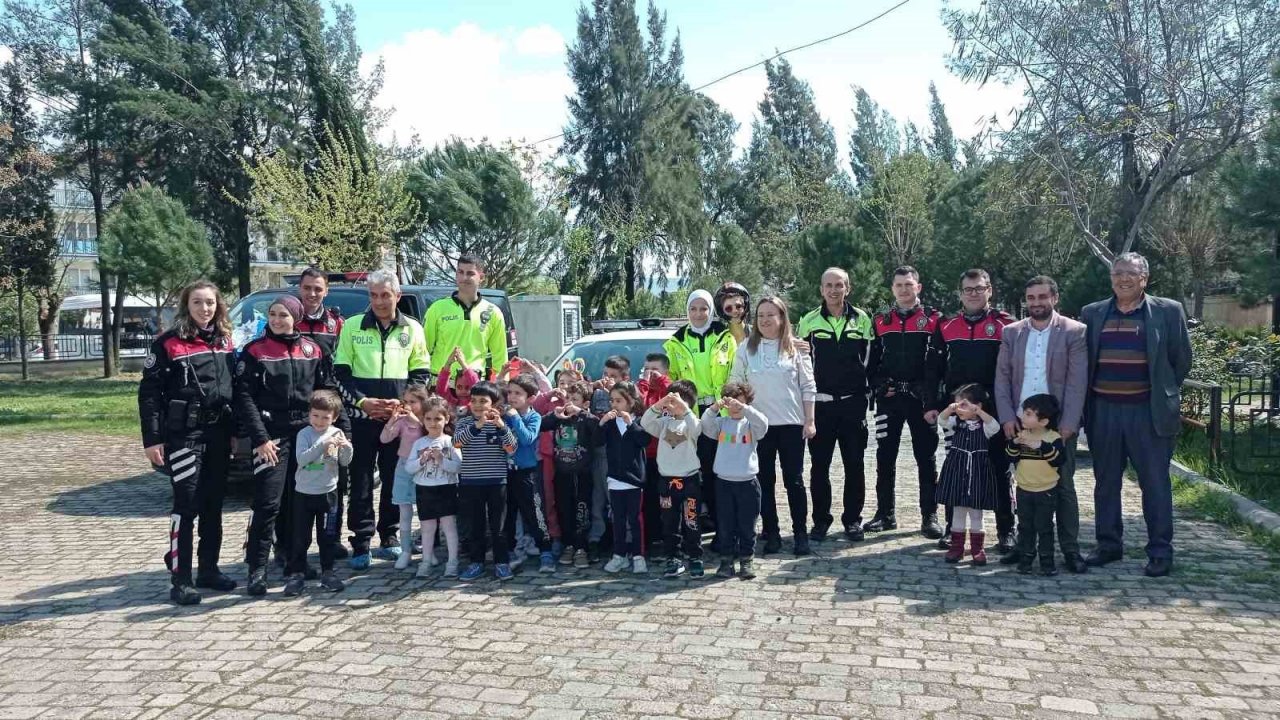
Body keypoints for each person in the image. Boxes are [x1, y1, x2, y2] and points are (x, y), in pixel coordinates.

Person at [1081, 253, 1192, 578]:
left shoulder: (1168, 311)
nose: (1123, 279)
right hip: (1104, 411)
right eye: (1118, 273)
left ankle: (1160, 551)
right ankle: (1108, 545)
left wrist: (1159, 392)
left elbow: (1180, 360)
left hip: (1149, 412)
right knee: (1105, 483)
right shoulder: (1093, 313)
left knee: (1155, 483)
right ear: (1111, 277)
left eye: (1131, 273)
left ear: (1145, 278)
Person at [233, 295, 348, 596]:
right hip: (271, 437)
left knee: (297, 504)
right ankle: (257, 568)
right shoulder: (254, 352)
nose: (277, 320)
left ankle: (292, 559)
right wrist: (260, 439)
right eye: (272, 314)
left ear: (296, 317)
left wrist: (342, 430)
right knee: (269, 502)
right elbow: (244, 398)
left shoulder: (313, 350)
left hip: (307, 434)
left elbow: (329, 393)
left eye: (284, 314)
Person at [140, 280, 239, 605]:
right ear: (187, 306)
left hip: (220, 434)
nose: (204, 308)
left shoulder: (225, 341)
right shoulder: (168, 344)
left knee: (214, 505)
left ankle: (208, 569)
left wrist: (238, 431)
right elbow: (150, 395)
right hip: (185, 436)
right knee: (187, 506)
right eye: (198, 302)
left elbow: (235, 389)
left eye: (210, 302)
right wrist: (153, 439)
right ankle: (180, 579)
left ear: (218, 306)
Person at [333, 270, 431, 568]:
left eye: (385, 295)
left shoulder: (412, 328)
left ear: (397, 296)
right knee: (361, 481)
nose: (379, 301)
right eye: (373, 295)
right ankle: (361, 542)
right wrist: (364, 402)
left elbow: (422, 374)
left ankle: (389, 537)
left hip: (399, 419)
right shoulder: (351, 326)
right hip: (361, 418)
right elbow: (340, 374)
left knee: (394, 477)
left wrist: (402, 404)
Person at [994, 275, 1090, 573]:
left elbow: (1077, 383)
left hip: (1056, 425)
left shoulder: (1074, 332)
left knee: (1062, 485)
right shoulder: (1012, 332)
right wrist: (1008, 417)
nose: (1036, 303)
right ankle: (1024, 548)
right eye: (1031, 298)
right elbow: (1003, 378)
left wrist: (1069, 425)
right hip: (1022, 423)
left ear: (1054, 298)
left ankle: (1070, 550)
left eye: (1042, 297)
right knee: (1021, 485)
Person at [929, 269, 1015, 554]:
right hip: (959, 411)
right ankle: (952, 532)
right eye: (968, 289)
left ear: (990, 290)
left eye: (980, 288)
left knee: (1000, 469)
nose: (974, 293)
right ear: (960, 293)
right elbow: (935, 370)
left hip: (994, 410)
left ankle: (1006, 530)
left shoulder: (1006, 324)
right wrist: (933, 404)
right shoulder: (946, 325)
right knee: (956, 468)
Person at [729, 295, 816, 556]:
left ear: (782, 318)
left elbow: (808, 386)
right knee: (764, 481)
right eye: (761, 315)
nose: (766, 320)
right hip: (759, 425)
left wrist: (810, 420)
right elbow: (735, 382)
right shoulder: (746, 348)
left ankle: (801, 534)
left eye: (771, 314)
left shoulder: (796, 348)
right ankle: (772, 533)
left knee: (795, 481)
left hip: (791, 424)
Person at [797, 268, 876, 544]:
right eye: (828, 285)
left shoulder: (862, 320)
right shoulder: (808, 321)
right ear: (821, 289)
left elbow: (870, 361)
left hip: (853, 405)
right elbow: (801, 366)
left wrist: (869, 394)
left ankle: (853, 520)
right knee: (819, 467)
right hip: (821, 406)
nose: (833, 290)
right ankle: (821, 521)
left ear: (848, 288)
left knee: (855, 464)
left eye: (839, 285)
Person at [868, 266, 945, 539]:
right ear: (892, 289)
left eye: (908, 284)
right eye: (898, 284)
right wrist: (878, 384)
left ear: (918, 287)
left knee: (926, 458)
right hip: (889, 400)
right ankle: (885, 514)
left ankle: (930, 515)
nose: (903, 289)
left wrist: (931, 393)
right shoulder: (880, 321)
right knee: (884, 457)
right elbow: (871, 362)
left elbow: (941, 362)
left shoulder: (934, 319)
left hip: (921, 401)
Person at [664, 289, 738, 551]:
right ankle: (691, 532)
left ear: (711, 310)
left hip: (722, 414)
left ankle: (725, 531)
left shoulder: (726, 337)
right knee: (696, 476)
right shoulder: (674, 343)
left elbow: (736, 373)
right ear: (687, 311)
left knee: (722, 474)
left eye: (703, 309)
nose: (698, 314)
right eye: (693, 309)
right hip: (690, 418)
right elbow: (670, 381)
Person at [294, 267, 350, 558]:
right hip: (300, 409)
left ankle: (333, 539)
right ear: (299, 288)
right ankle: (290, 544)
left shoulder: (336, 323)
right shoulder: (289, 319)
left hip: (330, 409)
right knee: (299, 479)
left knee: (336, 476)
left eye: (318, 288)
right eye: (307, 288)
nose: (312, 294)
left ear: (326, 290)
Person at [286, 390, 352, 595]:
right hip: (304, 493)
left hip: (328, 493)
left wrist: (347, 447)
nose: (320, 421)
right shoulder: (304, 434)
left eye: (325, 417)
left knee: (327, 536)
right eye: (315, 415)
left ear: (334, 418)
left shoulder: (337, 433)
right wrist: (322, 445)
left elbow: (344, 461)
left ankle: (328, 572)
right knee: (301, 536)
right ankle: (297, 573)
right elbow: (303, 460)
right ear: (309, 414)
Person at [701, 382, 769, 580]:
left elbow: (763, 423)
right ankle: (726, 560)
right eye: (732, 403)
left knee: (747, 523)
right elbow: (705, 425)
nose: (736, 407)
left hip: (748, 483)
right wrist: (715, 407)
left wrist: (746, 408)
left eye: (740, 403)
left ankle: (747, 559)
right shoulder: (721, 424)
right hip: (724, 483)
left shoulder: (751, 425)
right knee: (725, 524)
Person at [640, 380, 704, 578]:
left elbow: (697, 430)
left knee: (691, 520)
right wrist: (660, 404)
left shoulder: (691, 422)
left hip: (690, 480)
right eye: (671, 400)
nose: (673, 404)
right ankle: (673, 558)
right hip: (667, 480)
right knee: (669, 522)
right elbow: (645, 422)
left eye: (677, 400)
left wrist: (684, 409)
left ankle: (695, 556)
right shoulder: (663, 422)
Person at [456, 382, 519, 581]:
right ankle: (477, 562)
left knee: (498, 525)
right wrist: (477, 425)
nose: (477, 405)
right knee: (476, 525)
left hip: (496, 482)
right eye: (474, 401)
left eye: (483, 401)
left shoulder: (501, 424)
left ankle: (501, 562)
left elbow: (511, 448)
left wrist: (500, 426)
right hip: (471, 483)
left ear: (494, 403)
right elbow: (457, 442)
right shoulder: (464, 423)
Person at [934, 384, 1001, 565]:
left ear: (977, 405)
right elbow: (941, 420)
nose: (959, 409)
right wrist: (950, 409)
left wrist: (978, 411)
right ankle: (956, 547)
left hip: (977, 472)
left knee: (976, 512)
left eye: (963, 405)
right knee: (958, 510)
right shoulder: (957, 423)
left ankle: (977, 548)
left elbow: (995, 426)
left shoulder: (984, 426)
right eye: (957, 405)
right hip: (958, 470)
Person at [1005, 394, 1067, 576]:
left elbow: (1058, 460)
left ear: (1044, 421)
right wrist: (1014, 443)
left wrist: (1041, 446)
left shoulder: (1053, 438)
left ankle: (1047, 560)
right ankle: (1025, 558)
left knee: (1044, 526)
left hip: (1046, 490)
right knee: (1025, 526)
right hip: (1024, 488)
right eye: (1024, 413)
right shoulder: (1021, 435)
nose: (1023, 417)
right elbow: (1010, 456)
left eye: (1029, 414)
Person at [424, 253, 508, 381]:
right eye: (460, 272)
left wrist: (500, 386)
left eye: (470, 273)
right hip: (442, 385)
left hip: (474, 387)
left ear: (481, 277)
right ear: (456, 275)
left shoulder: (493, 312)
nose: (464, 277)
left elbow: (500, 357)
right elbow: (423, 350)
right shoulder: (437, 308)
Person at [403, 397, 462, 578]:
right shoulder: (419, 443)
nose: (433, 423)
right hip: (424, 489)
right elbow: (409, 468)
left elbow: (458, 467)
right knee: (427, 528)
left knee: (449, 526)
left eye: (437, 419)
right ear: (423, 420)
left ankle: (453, 561)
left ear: (446, 419)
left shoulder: (451, 442)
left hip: (446, 488)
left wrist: (441, 459)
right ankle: (426, 560)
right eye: (428, 419)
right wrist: (422, 460)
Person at [542, 381, 598, 568]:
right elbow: (541, 425)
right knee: (564, 509)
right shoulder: (559, 417)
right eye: (567, 398)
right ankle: (569, 545)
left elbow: (599, 433)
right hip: (562, 472)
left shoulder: (587, 418)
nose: (568, 403)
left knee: (582, 509)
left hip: (582, 473)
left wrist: (581, 413)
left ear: (585, 403)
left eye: (574, 399)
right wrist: (554, 414)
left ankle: (582, 546)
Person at [502, 374, 555, 573]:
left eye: (518, 393)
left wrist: (515, 418)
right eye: (510, 393)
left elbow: (527, 439)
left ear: (531, 398)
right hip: (507, 472)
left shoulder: (533, 417)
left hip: (527, 473)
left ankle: (546, 552)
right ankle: (509, 552)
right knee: (507, 515)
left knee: (535, 513)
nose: (512, 397)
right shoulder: (503, 416)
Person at [597, 381, 651, 574]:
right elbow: (596, 440)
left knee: (635, 520)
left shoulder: (639, 420)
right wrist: (601, 423)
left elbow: (645, 440)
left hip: (634, 480)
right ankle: (619, 555)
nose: (614, 405)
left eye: (619, 400)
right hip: (615, 479)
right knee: (618, 520)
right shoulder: (610, 423)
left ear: (630, 401)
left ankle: (638, 556)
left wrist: (630, 424)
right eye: (612, 401)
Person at [380, 386, 428, 569]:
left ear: (422, 402)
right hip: (403, 465)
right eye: (405, 402)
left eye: (413, 402)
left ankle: (427, 551)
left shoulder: (426, 418)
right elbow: (384, 439)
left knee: (426, 511)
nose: (408, 405)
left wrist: (413, 418)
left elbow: (427, 433)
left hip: (424, 466)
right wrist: (393, 419)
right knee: (404, 510)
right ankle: (406, 550)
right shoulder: (402, 421)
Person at [637, 352, 671, 557]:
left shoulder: (669, 387)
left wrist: (663, 381)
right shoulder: (642, 388)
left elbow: (678, 400)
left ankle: (670, 539)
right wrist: (644, 383)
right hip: (645, 455)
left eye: (655, 370)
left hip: (668, 455)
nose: (651, 374)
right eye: (647, 369)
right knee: (649, 499)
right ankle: (653, 539)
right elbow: (638, 407)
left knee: (667, 500)